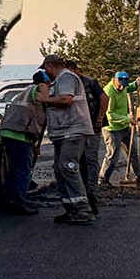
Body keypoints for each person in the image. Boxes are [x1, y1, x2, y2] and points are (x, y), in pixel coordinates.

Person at [38, 54, 94, 225]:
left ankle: (83, 210)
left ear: (50, 66)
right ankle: (71, 208)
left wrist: (45, 99)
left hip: (73, 131)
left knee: (67, 166)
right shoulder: (58, 81)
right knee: (59, 169)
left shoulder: (67, 77)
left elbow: (66, 99)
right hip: (63, 132)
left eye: (46, 68)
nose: (46, 72)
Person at [0, 70, 49, 214]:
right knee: (23, 170)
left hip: (9, 132)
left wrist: (34, 144)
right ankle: (19, 202)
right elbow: (45, 98)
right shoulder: (40, 88)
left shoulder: (26, 91)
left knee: (14, 169)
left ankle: (8, 200)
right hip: (20, 134)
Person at [66, 60, 106, 214]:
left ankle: (91, 191)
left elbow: (104, 98)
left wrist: (99, 119)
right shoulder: (70, 84)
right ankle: (82, 192)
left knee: (90, 160)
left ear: (76, 70)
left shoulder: (89, 82)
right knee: (78, 161)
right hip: (76, 128)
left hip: (90, 127)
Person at [99, 70, 140, 188]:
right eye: (120, 84)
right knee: (112, 154)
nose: (122, 87)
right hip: (112, 128)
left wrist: (136, 84)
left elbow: (129, 88)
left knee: (132, 151)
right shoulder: (109, 92)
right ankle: (103, 179)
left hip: (123, 126)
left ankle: (138, 176)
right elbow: (110, 115)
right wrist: (128, 119)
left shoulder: (124, 87)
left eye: (124, 85)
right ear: (114, 80)